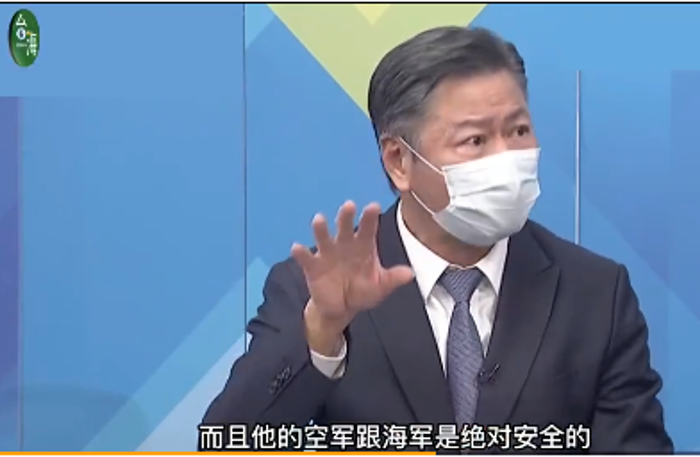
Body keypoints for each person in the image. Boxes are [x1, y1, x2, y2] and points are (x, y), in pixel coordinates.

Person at [202, 26, 673, 454]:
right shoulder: (314, 292)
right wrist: (323, 332)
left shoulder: (595, 292)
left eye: (519, 130)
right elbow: (228, 445)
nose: (507, 158)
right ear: (399, 161)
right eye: (475, 140)